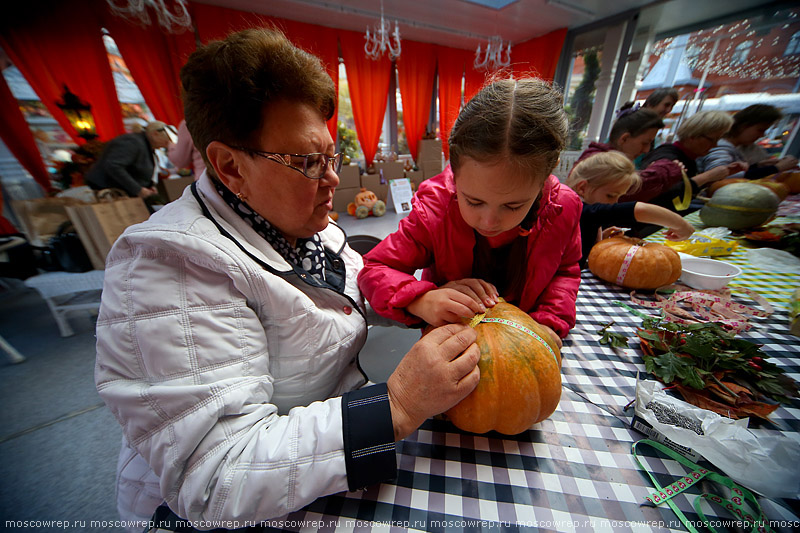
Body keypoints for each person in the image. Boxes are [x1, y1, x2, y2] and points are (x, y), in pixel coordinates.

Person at [94, 28, 481, 532]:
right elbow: (215, 476)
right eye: (306, 162)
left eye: (329, 156)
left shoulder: (293, 223)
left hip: (313, 469)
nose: (333, 179)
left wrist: (418, 298)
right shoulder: (169, 266)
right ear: (230, 166)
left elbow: (350, 287)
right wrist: (398, 406)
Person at [358, 78, 581, 349]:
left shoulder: (564, 209)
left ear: (548, 174)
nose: (489, 222)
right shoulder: (435, 209)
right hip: (451, 343)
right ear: (454, 170)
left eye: (513, 206)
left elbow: (565, 271)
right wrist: (421, 300)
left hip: (525, 340)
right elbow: (375, 269)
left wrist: (548, 321)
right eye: (473, 201)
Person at [565, 151, 694, 265]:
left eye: (619, 197)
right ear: (582, 188)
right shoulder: (582, 210)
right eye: (610, 195)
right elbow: (640, 210)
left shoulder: (587, 212)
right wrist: (682, 225)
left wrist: (600, 240)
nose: (614, 202)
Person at [630, 110, 745, 205]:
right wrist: (706, 177)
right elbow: (658, 195)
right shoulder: (666, 157)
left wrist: (718, 175)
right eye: (712, 140)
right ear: (693, 136)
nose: (714, 145)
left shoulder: (689, 157)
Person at [697, 104, 798, 178]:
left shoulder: (730, 146)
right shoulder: (721, 147)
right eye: (760, 130)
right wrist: (776, 168)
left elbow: (731, 172)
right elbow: (718, 176)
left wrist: (758, 166)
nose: (761, 135)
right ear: (743, 126)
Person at [85, 120, 172, 198]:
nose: (167, 144)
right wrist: (137, 189)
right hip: (110, 190)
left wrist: (149, 186)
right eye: (166, 141)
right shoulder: (132, 142)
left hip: (127, 192)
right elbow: (114, 165)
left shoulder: (145, 144)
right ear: (155, 134)